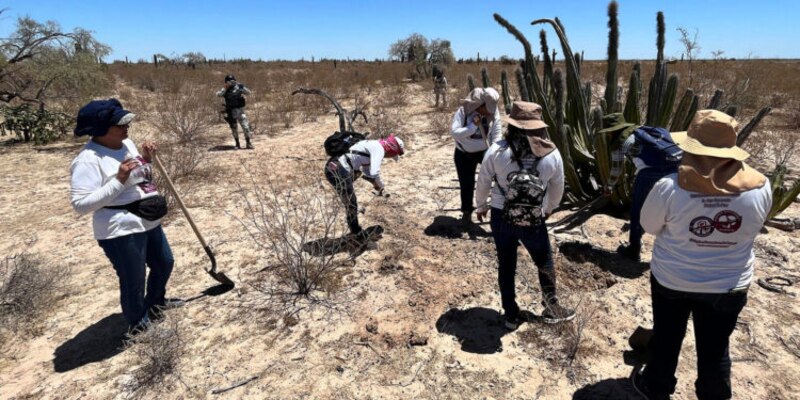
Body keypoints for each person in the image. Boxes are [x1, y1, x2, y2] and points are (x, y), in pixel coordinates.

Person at [631, 110, 772, 400]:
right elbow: (755, 227)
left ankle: (656, 389)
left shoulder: (669, 186)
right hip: (729, 284)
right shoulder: (761, 186)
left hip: (673, 280)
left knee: (668, 339)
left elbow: (648, 225)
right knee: (715, 348)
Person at [71, 99, 182, 332]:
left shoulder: (127, 144)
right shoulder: (89, 159)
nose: (126, 127)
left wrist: (147, 159)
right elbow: (80, 205)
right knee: (133, 277)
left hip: (146, 218)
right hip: (119, 227)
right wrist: (119, 180)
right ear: (100, 130)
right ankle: (138, 322)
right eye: (119, 124)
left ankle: (155, 303)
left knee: (164, 262)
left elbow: (140, 176)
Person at [475, 101, 575, 330]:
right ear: (539, 126)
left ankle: (510, 313)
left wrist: (481, 206)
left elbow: (483, 181)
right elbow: (557, 188)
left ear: (512, 124)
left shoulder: (497, 150)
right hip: (533, 217)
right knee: (544, 261)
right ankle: (551, 307)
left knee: (507, 264)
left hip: (501, 215)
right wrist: (548, 209)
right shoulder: (553, 154)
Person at [601, 113, 682, 262]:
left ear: (612, 131)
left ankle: (633, 249)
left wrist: (609, 186)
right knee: (671, 210)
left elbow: (616, 169)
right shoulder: (643, 131)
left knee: (637, 210)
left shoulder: (619, 142)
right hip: (677, 168)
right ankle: (674, 251)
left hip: (650, 173)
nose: (607, 136)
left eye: (607, 132)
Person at [325, 135, 405, 236]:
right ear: (392, 149)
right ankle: (356, 233)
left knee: (352, 190)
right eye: (392, 155)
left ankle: (353, 225)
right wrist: (380, 185)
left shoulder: (372, 144)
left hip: (334, 166)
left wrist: (376, 183)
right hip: (338, 169)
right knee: (351, 203)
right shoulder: (379, 149)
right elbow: (374, 172)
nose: (389, 157)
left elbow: (367, 170)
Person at [451, 87, 502, 225]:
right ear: (479, 104)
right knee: (466, 183)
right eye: (487, 108)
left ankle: (500, 210)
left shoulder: (494, 112)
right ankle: (467, 212)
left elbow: (497, 133)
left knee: (499, 178)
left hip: (485, 152)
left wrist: (494, 154)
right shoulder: (463, 111)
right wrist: (472, 127)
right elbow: (455, 133)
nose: (489, 111)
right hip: (463, 152)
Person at [216, 74, 253, 149]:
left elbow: (249, 92)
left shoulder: (239, 87)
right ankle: (237, 144)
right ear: (226, 82)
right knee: (234, 128)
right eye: (229, 81)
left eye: (232, 81)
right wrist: (225, 87)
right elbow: (218, 94)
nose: (231, 83)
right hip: (231, 111)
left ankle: (248, 143)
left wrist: (241, 86)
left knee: (246, 127)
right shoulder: (225, 89)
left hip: (240, 111)